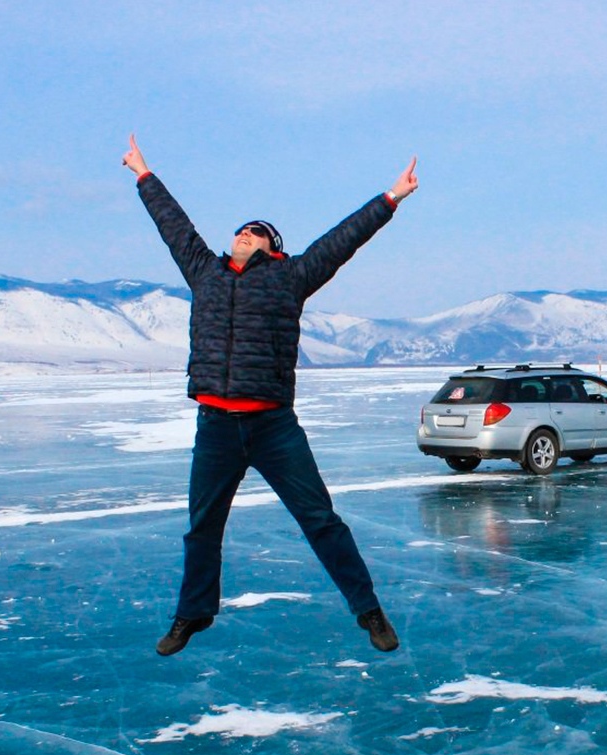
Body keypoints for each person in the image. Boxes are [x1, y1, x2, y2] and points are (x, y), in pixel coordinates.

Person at [121, 135, 418, 657]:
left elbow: (341, 240)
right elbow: (173, 224)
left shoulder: (291, 277)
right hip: (215, 425)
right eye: (240, 229)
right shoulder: (204, 272)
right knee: (202, 528)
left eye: (255, 232)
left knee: (320, 519)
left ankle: (368, 610)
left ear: (272, 246)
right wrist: (143, 173)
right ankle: (192, 615)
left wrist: (390, 199)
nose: (243, 233)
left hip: (273, 427)